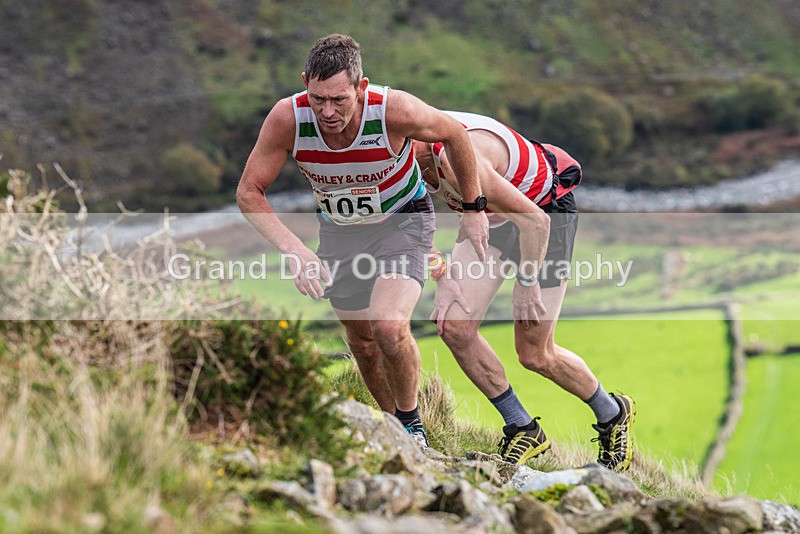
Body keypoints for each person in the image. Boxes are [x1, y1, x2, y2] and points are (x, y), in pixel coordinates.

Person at [236, 35, 490, 448]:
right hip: (339, 231)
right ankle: (390, 427)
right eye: (317, 98)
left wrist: (476, 208)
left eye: (339, 99)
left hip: (402, 221)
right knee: (363, 343)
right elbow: (249, 191)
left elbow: (456, 135)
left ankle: (414, 429)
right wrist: (296, 250)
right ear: (305, 84)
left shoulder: (395, 110)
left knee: (388, 327)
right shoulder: (288, 118)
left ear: (361, 86)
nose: (328, 112)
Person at [412, 111, 636, 471]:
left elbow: (535, 220)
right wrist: (442, 276)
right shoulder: (390, 160)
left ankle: (613, 414)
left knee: (534, 353)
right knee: (454, 326)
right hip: (494, 218)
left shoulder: (453, 158)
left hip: (544, 213)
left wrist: (527, 281)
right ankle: (522, 426)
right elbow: (409, 225)